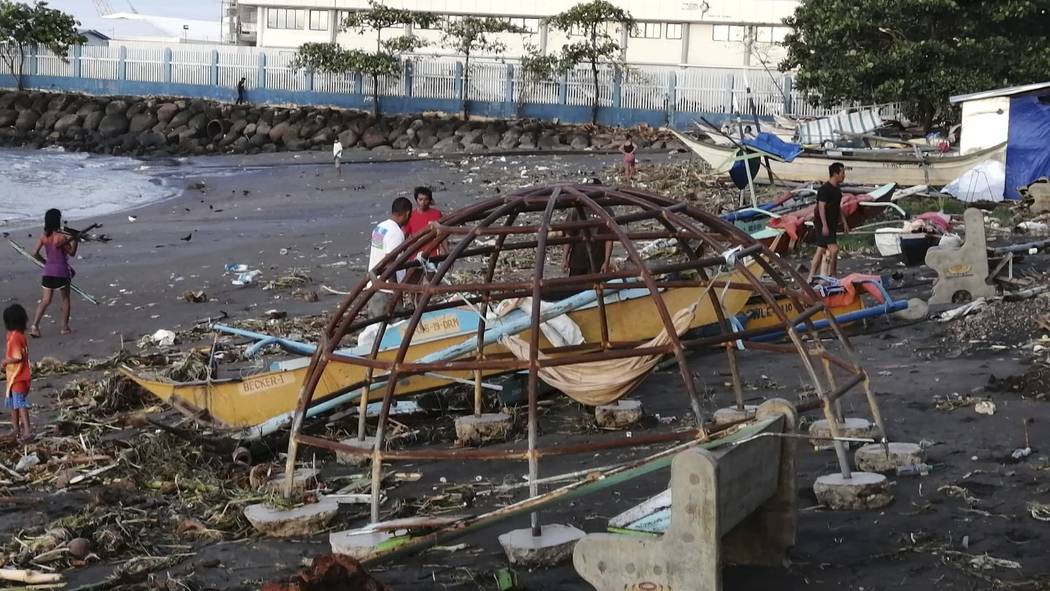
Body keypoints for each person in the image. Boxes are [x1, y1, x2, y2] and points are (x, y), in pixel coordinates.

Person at [30, 209, 79, 337]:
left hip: (48, 272)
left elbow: (34, 253)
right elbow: (72, 253)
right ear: (57, 220)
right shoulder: (61, 238)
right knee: (65, 300)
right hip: (61, 272)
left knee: (45, 300)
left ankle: (34, 326)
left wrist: (45, 262)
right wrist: (76, 240)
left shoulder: (44, 236)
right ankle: (65, 328)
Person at [366, 197, 413, 318]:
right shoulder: (396, 232)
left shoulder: (379, 228)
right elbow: (390, 264)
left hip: (374, 286)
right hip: (386, 290)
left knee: (375, 326)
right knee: (392, 329)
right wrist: (397, 292)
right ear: (407, 213)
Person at [807, 162, 848, 282]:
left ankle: (810, 277)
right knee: (834, 249)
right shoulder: (825, 189)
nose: (844, 175)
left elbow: (838, 207)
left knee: (820, 249)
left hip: (831, 224)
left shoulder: (837, 190)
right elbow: (821, 207)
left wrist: (844, 222)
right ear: (835, 174)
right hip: (823, 224)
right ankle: (833, 275)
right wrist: (824, 225)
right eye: (842, 173)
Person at [3, 304, 32, 443]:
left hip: (18, 376)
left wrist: (4, 361)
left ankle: (26, 430)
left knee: (19, 403)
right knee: (14, 404)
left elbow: (17, 357)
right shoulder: (20, 336)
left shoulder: (15, 337)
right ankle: (16, 428)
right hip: (17, 376)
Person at [562, 209, 613, 277]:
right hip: (578, 259)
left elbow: (609, 238)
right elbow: (569, 234)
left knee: (593, 285)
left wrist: (606, 261)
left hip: (597, 260)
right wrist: (564, 258)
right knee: (575, 284)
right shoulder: (576, 210)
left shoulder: (606, 211)